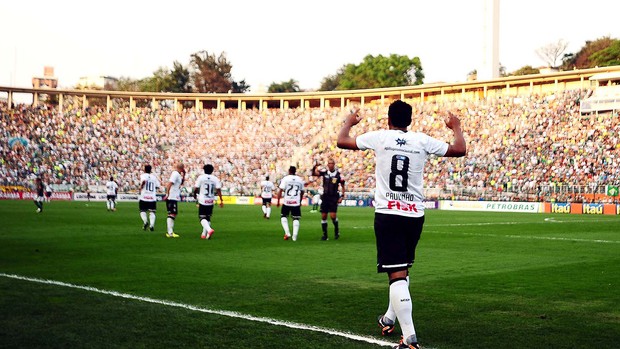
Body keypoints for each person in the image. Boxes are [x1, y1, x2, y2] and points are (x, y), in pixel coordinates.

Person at [336, 100, 466, 349]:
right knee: (401, 270)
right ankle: (388, 317)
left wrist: (349, 123)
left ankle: (410, 339)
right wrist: (456, 127)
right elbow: (460, 149)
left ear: (388, 119)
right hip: (414, 214)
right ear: (410, 120)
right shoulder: (422, 140)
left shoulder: (379, 137)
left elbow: (343, 141)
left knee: (396, 275)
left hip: (389, 213)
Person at [311, 159, 345, 240]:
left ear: (334, 164)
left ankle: (336, 230)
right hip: (325, 196)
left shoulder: (338, 175)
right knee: (323, 216)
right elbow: (314, 173)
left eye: (331, 163)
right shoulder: (325, 173)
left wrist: (342, 196)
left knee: (333, 216)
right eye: (329, 163)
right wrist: (315, 166)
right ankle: (325, 235)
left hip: (334, 197)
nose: (330, 165)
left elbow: (343, 186)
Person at [194, 164, 223, 239]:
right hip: (210, 200)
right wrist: (221, 200)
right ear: (212, 171)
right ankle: (204, 234)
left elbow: (196, 188)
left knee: (202, 218)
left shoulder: (201, 177)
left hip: (203, 200)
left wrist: (194, 195)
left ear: (204, 170)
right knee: (208, 217)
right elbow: (218, 190)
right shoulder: (215, 178)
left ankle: (209, 230)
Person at [276, 166, 305, 241]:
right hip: (296, 202)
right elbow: (302, 192)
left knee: (283, 216)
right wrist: (300, 201)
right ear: (295, 171)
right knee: (296, 219)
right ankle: (294, 236)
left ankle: (287, 232)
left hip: (287, 201)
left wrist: (278, 201)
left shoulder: (286, 178)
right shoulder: (300, 179)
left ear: (289, 171)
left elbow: (280, 190)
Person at [164, 163, 185, 238]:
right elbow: (169, 184)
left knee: (173, 214)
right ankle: (170, 233)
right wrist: (167, 194)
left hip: (174, 196)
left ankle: (170, 232)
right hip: (171, 196)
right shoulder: (175, 174)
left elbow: (180, 184)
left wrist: (184, 175)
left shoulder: (178, 175)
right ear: (182, 168)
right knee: (172, 214)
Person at [138, 164, 161, 232]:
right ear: (150, 170)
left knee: (142, 211)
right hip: (152, 197)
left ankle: (145, 222)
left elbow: (144, 181)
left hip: (144, 196)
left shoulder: (143, 175)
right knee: (152, 212)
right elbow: (158, 186)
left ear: (144, 169)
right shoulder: (154, 177)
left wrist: (141, 187)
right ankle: (151, 225)